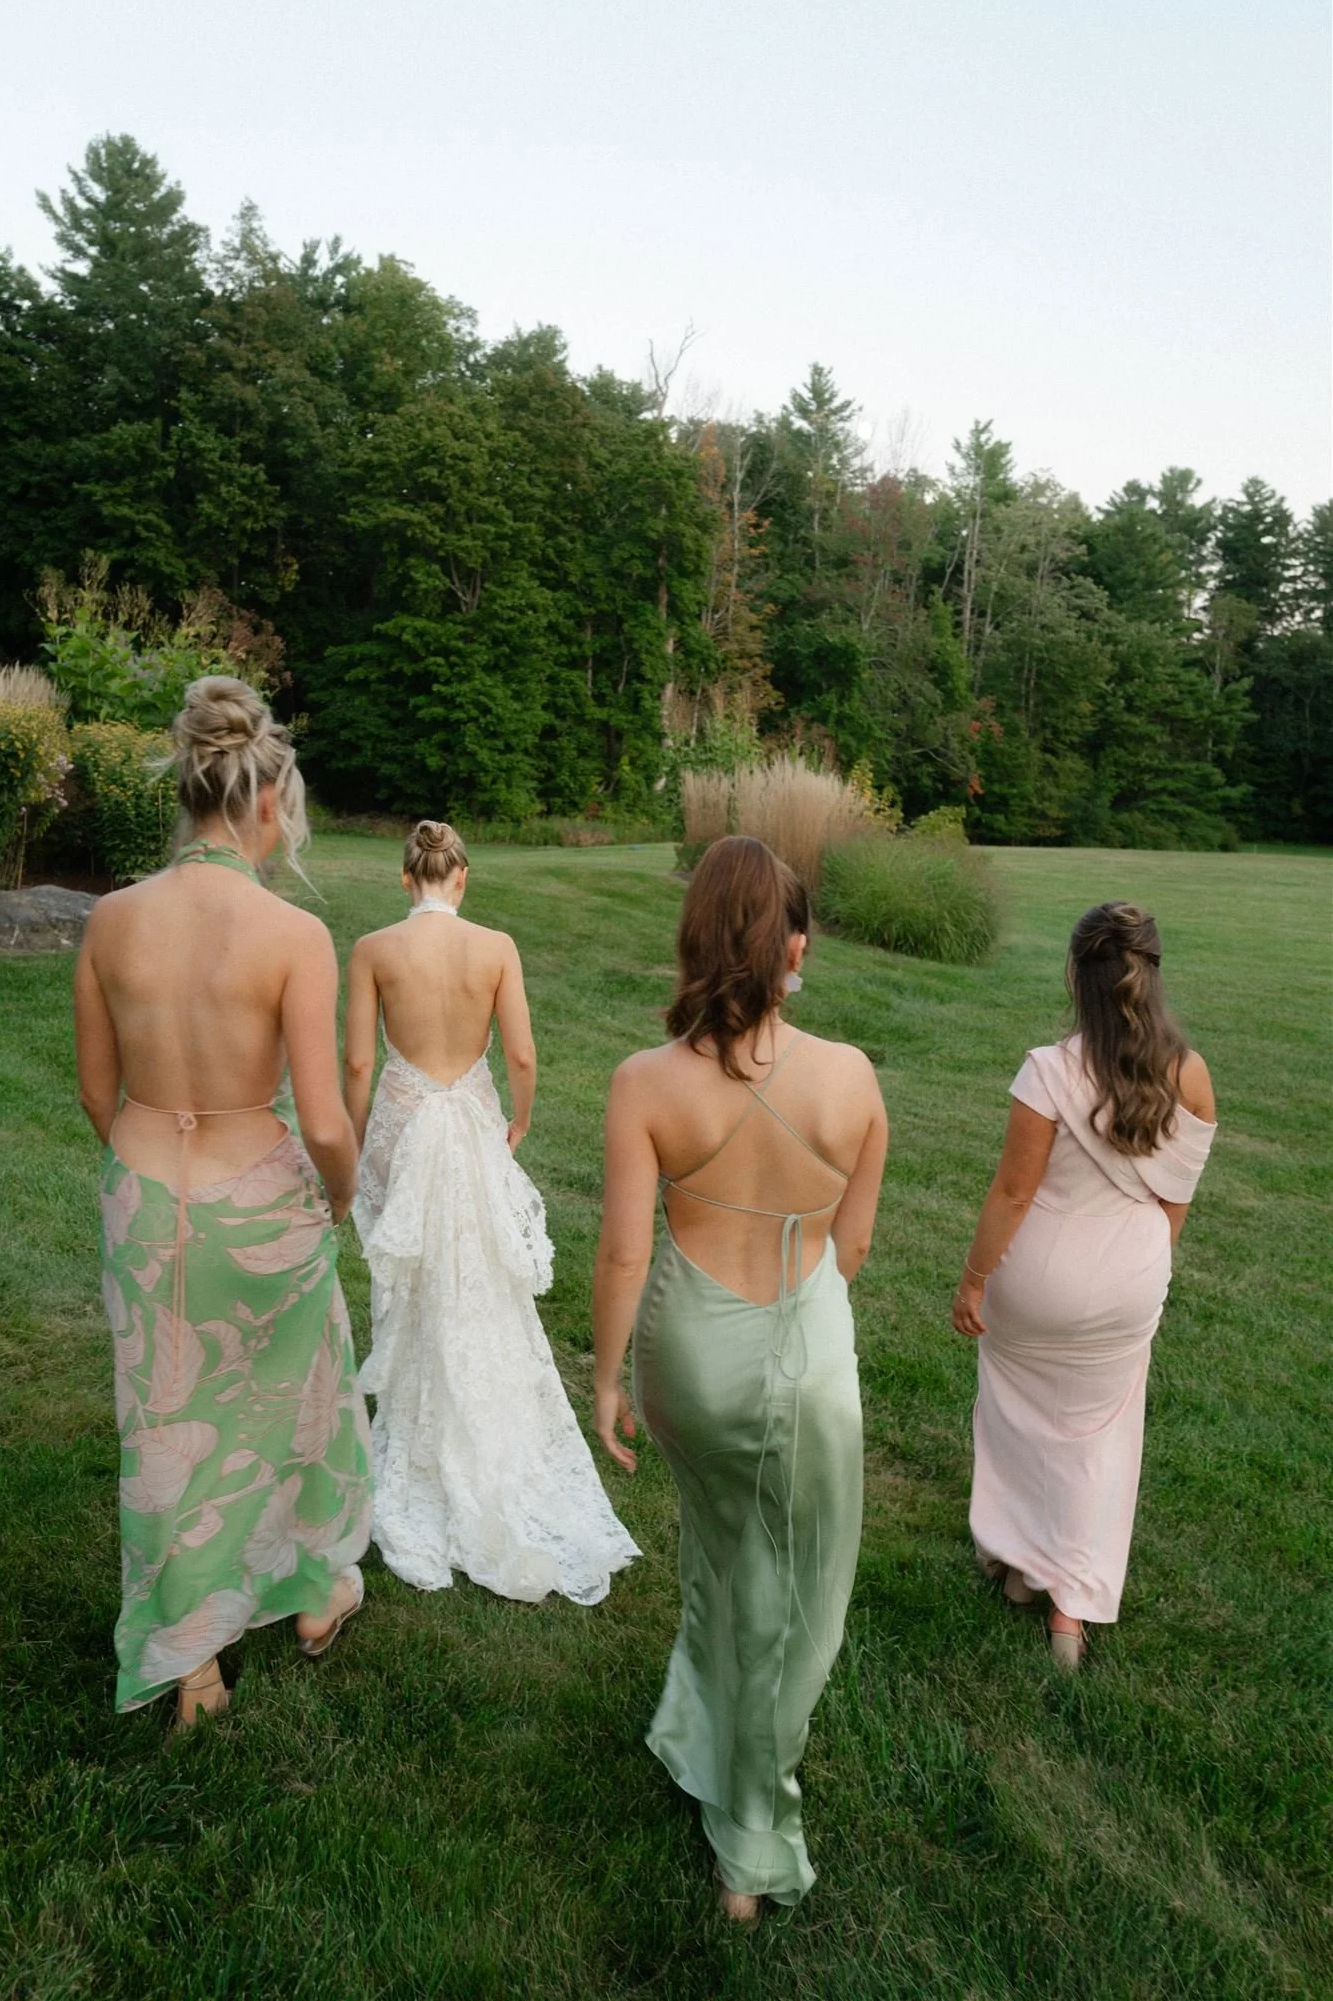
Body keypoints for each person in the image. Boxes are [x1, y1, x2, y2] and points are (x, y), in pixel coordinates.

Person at [592, 835, 887, 1922]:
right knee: (796, 1589)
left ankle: (709, 1752)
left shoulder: (643, 1082)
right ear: (794, 951)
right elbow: (846, 1252)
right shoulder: (851, 1078)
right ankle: (748, 1818)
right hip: (809, 1355)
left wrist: (607, 1379)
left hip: (692, 1359)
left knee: (726, 1556)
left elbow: (624, 1252)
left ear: (694, 941)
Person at [74, 676, 373, 1727]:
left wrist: (151, 1180)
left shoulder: (111, 919)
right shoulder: (290, 932)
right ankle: (314, 1590)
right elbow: (329, 1122)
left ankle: (190, 1664)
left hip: (148, 1196)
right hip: (260, 1200)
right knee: (304, 1391)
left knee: (161, 1420)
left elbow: (95, 1092)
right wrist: (335, 1202)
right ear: (262, 800)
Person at [345, 819, 639, 1605]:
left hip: (406, 1125)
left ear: (406, 879)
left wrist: (350, 1132)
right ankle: (491, 1434)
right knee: (480, 1280)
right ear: (463, 877)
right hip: (471, 1122)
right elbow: (521, 1055)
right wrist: (522, 1119)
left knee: (419, 1278)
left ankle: (424, 1435)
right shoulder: (496, 947)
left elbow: (357, 1061)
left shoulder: (374, 950)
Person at [951, 901, 1217, 1669]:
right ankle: (1070, 1610)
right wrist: (1136, 1272)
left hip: (1034, 1284)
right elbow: (1175, 1200)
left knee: (1017, 1414)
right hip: (1131, 1278)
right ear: (1151, 975)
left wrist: (972, 1282)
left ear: (1075, 974)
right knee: (1099, 1437)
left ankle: (1019, 1574)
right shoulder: (1191, 1074)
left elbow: (1010, 1196)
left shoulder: (1047, 1071)